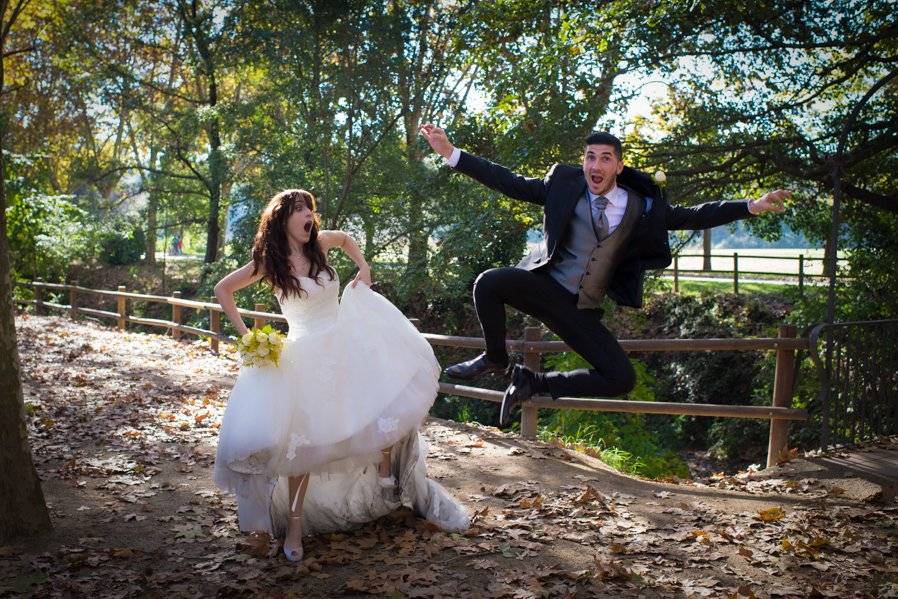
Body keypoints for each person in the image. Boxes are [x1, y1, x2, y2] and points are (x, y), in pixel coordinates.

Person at [419, 125, 789, 426]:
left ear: (619, 167)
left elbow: (692, 215)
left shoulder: (641, 206)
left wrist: (750, 207)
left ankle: (533, 381)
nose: (595, 165)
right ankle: (496, 358)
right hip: (544, 285)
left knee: (620, 377)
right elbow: (509, 181)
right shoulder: (562, 185)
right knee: (489, 282)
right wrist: (451, 153)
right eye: (590, 157)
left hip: (580, 307)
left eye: (605, 159)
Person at [212, 189, 469, 563]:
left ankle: (385, 464)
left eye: (310, 210)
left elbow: (347, 239)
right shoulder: (270, 261)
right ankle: (295, 524)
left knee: (384, 398)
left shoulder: (320, 244)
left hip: (343, 344)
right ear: (282, 218)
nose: (308, 217)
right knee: (306, 446)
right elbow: (223, 289)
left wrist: (363, 269)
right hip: (305, 360)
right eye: (299, 210)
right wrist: (247, 335)